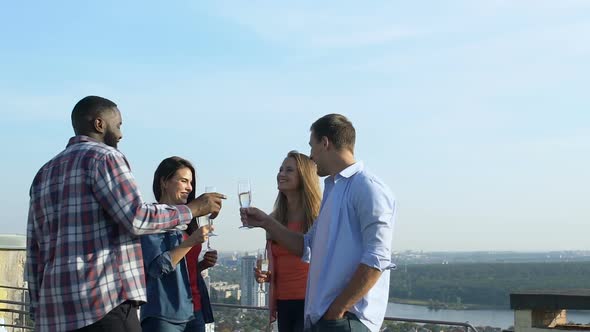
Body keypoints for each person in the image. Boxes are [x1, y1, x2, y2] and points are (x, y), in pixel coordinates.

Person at [25, 96, 226, 332]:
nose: (120, 135)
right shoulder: (105, 157)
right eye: (118, 125)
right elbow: (136, 217)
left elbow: (35, 250)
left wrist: (38, 308)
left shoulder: (44, 173)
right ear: (99, 124)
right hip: (103, 304)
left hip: (56, 312)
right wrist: (193, 209)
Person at [241, 114, 396, 332]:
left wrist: (337, 311)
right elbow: (306, 247)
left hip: (347, 320)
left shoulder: (368, 188)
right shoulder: (333, 190)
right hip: (326, 317)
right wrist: (267, 222)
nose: (311, 156)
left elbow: (377, 259)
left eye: (312, 147)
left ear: (325, 143)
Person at [140, 156, 218, 332]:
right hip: (165, 315)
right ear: (164, 182)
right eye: (183, 181)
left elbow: (181, 269)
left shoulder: (189, 220)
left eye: (191, 182)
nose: (190, 188)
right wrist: (191, 241)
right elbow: (156, 268)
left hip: (195, 310)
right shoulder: (152, 219)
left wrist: (202, 265)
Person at [253, 151, 321, 332]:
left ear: (304, 177)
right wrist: (266, 276)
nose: (281, 174)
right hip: (283, 303)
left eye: (289, 170)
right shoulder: (274, 219)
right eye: (280, 169)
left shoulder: (319, 218)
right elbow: (276, 265)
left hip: (311, 304)